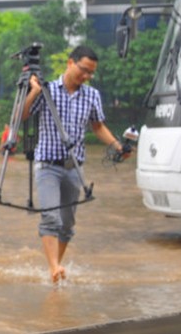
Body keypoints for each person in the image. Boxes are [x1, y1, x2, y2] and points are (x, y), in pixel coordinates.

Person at [24, 45, 131, 283]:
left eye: (91, 73)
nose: (87, 76)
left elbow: (98, 126)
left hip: (75, 167)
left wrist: (117, 146)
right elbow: (22, 115)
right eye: (84, 70)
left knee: (68, 224)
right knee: (51, 218)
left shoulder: (92, 95)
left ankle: (56, 267)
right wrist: (33, 91)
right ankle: (53, 267)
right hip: (47, 165)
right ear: (70, 63)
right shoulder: (48, 90)